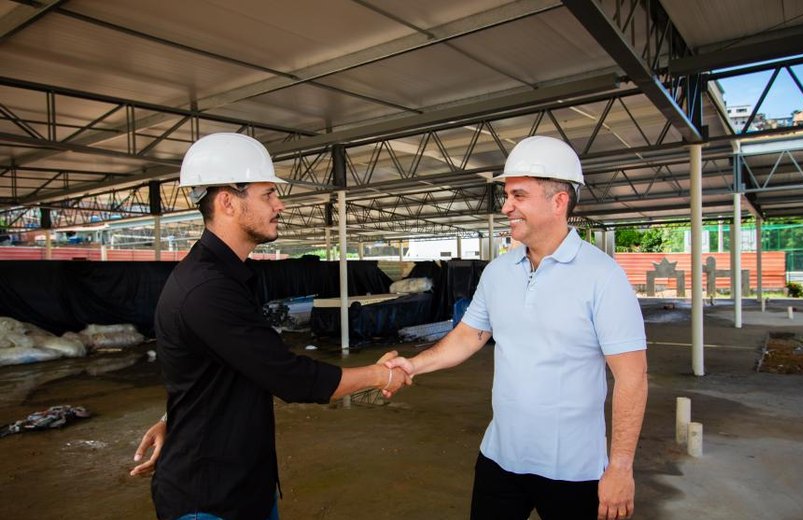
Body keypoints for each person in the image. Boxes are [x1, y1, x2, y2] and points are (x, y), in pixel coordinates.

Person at [130, 132, 410, 520]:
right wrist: (380, 374)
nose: (280, 205)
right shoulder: (207, 289)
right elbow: (291, 378)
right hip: (211, 499)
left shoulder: (220, 276)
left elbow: (212, 369)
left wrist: (171, 419)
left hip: (243, 486)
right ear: (227, 201)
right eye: (268, 195)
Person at [385, 135, 648, 520]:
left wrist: (620, 467)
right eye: (506, 196)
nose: (506, 206)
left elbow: (632, 377)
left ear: (559, 202)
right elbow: (469, 336)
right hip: (501, 457)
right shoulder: (498, 271)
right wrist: (414, 365)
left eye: (519, 196)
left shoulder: (602, 277)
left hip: (574, 469)